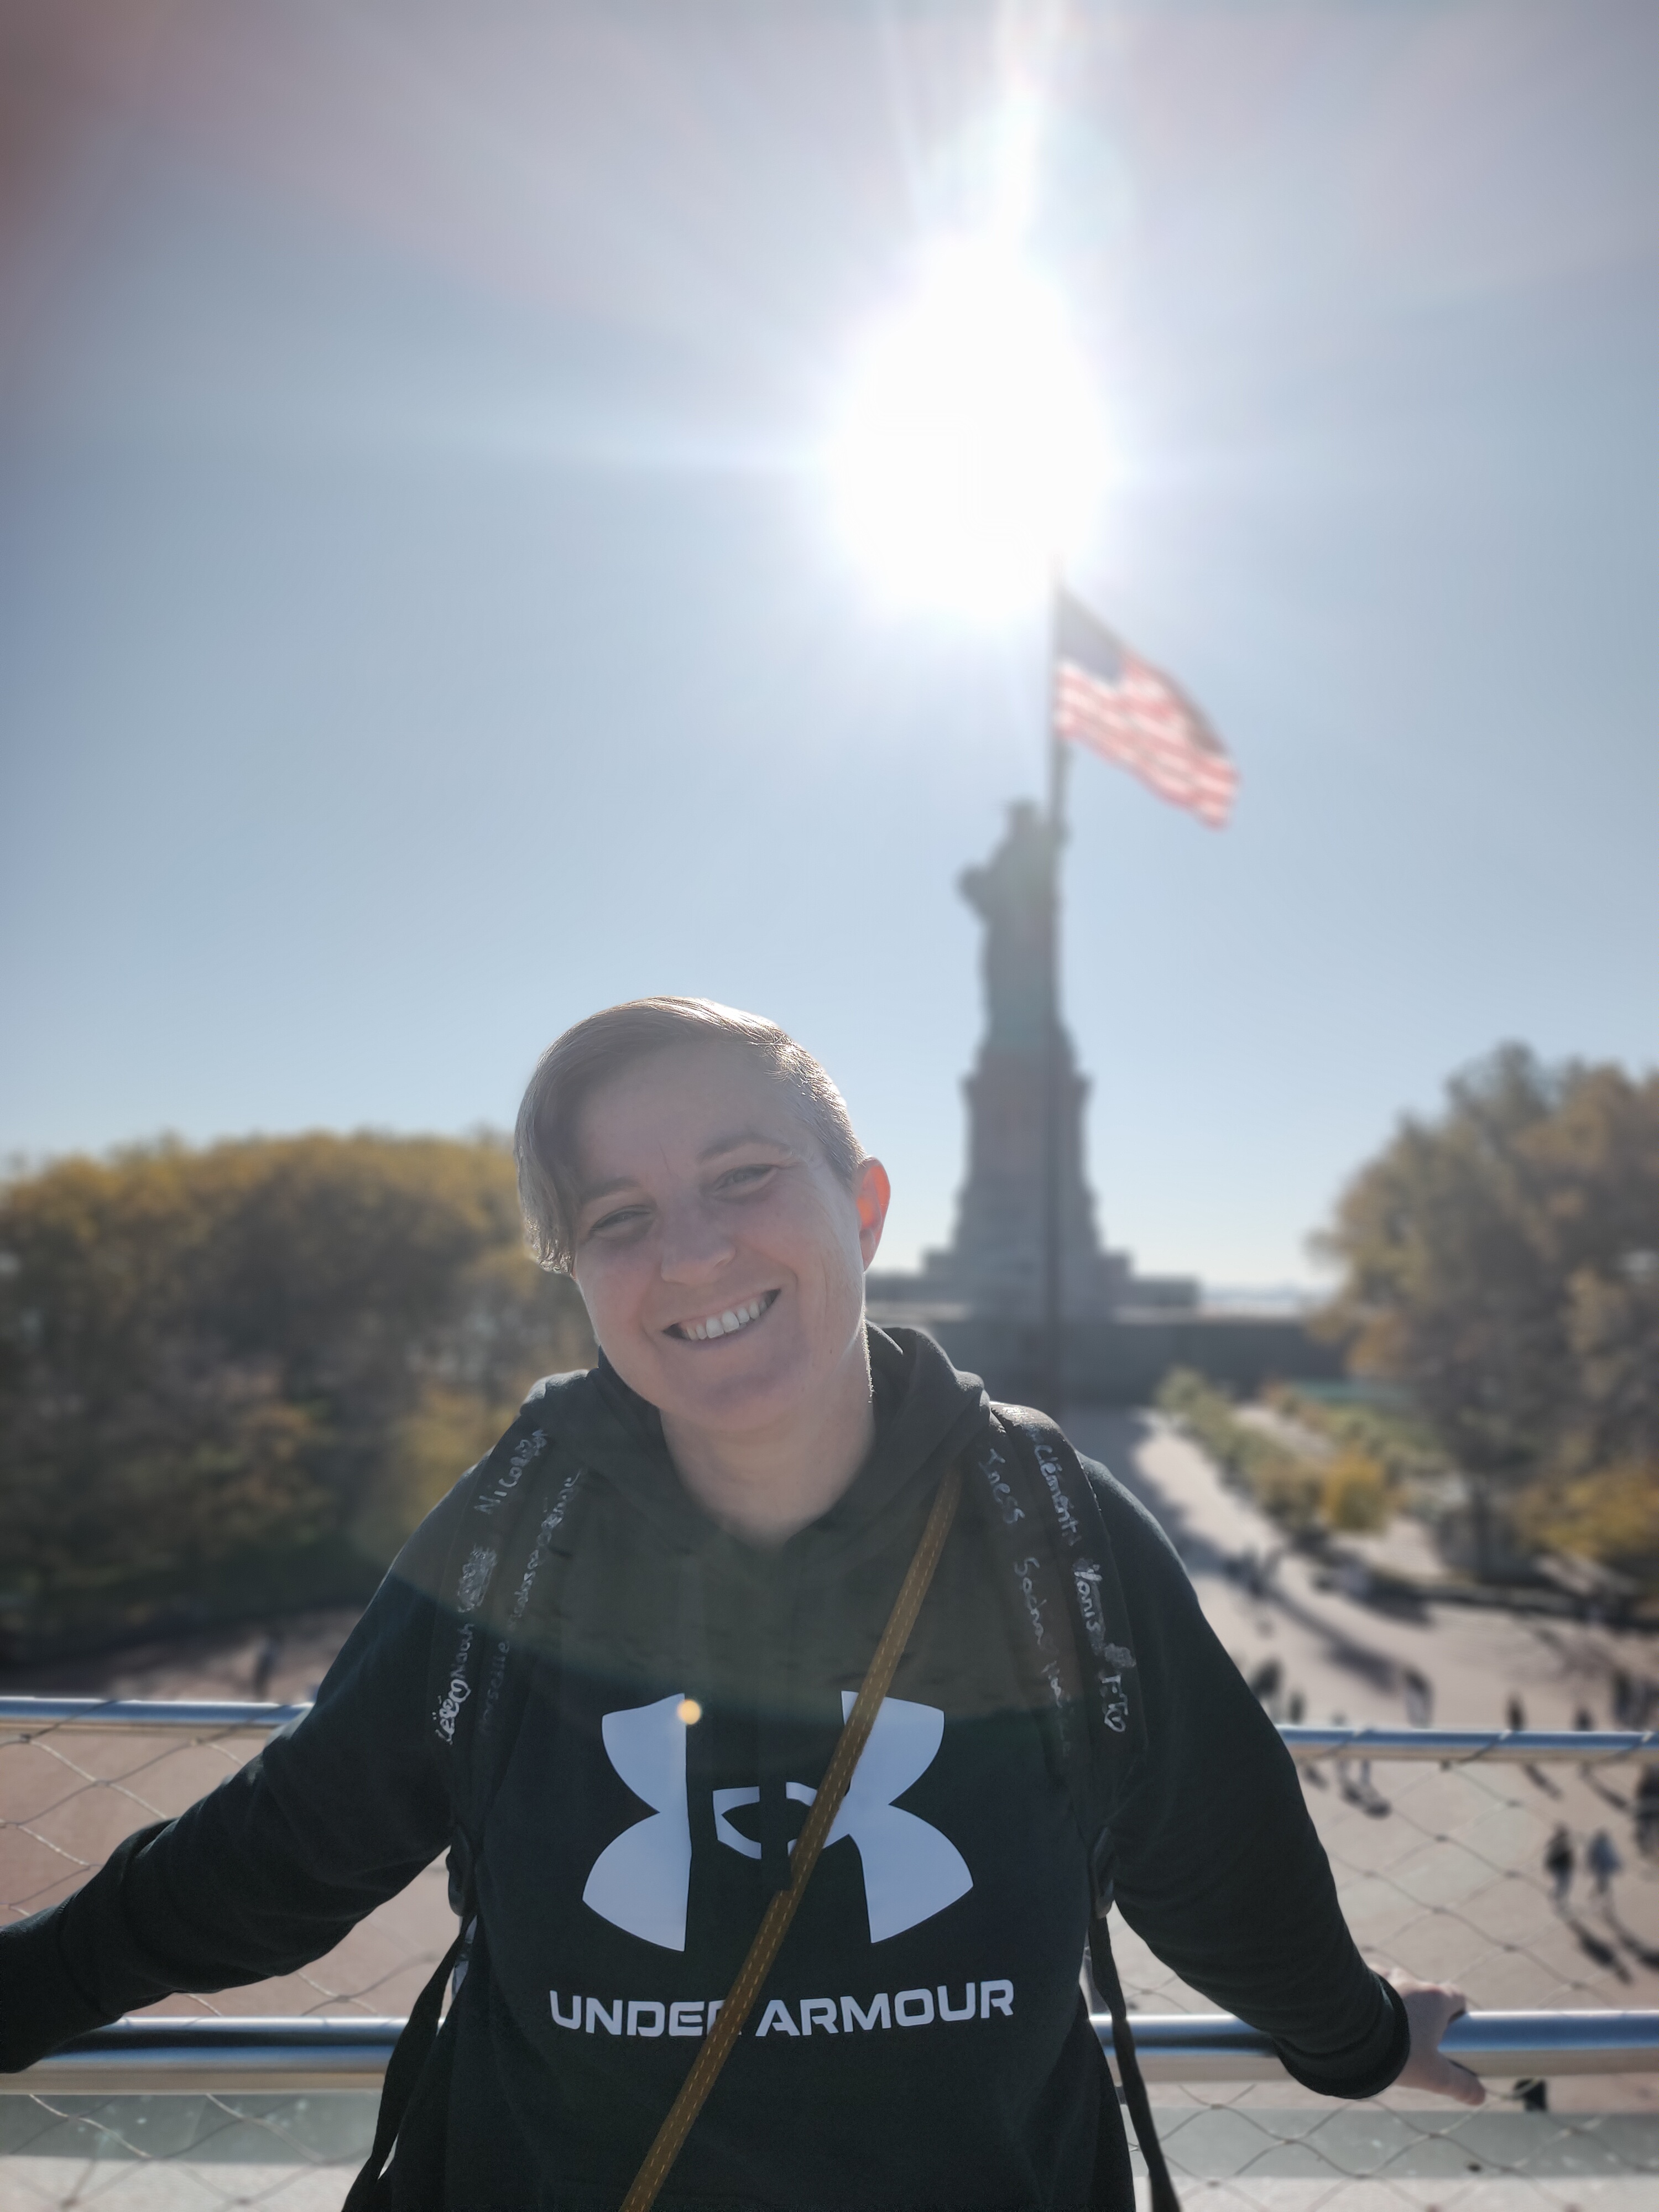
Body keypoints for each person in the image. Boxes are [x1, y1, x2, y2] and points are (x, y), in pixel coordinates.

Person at [0, 999, 1484, 2209]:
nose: (693, 1252)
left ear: (866, 1206)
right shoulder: (518, 1532)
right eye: (619, 1216)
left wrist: (1354, 2040)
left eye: (744, 1176)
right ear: (580, 1278)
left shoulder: (1052, 1529)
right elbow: (287, 1848)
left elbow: (1222, 1861)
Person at [1545, 1825, 1575, 1907]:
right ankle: (1558, 1899)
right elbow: (1551, 1856)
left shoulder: (1564, 1844)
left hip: (1564, 1868)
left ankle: (1560, 1899)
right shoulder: (1558, 1844)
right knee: (1563, 1884)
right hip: (1560, 1868)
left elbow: (1570, 1857)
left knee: (1565, 1885)